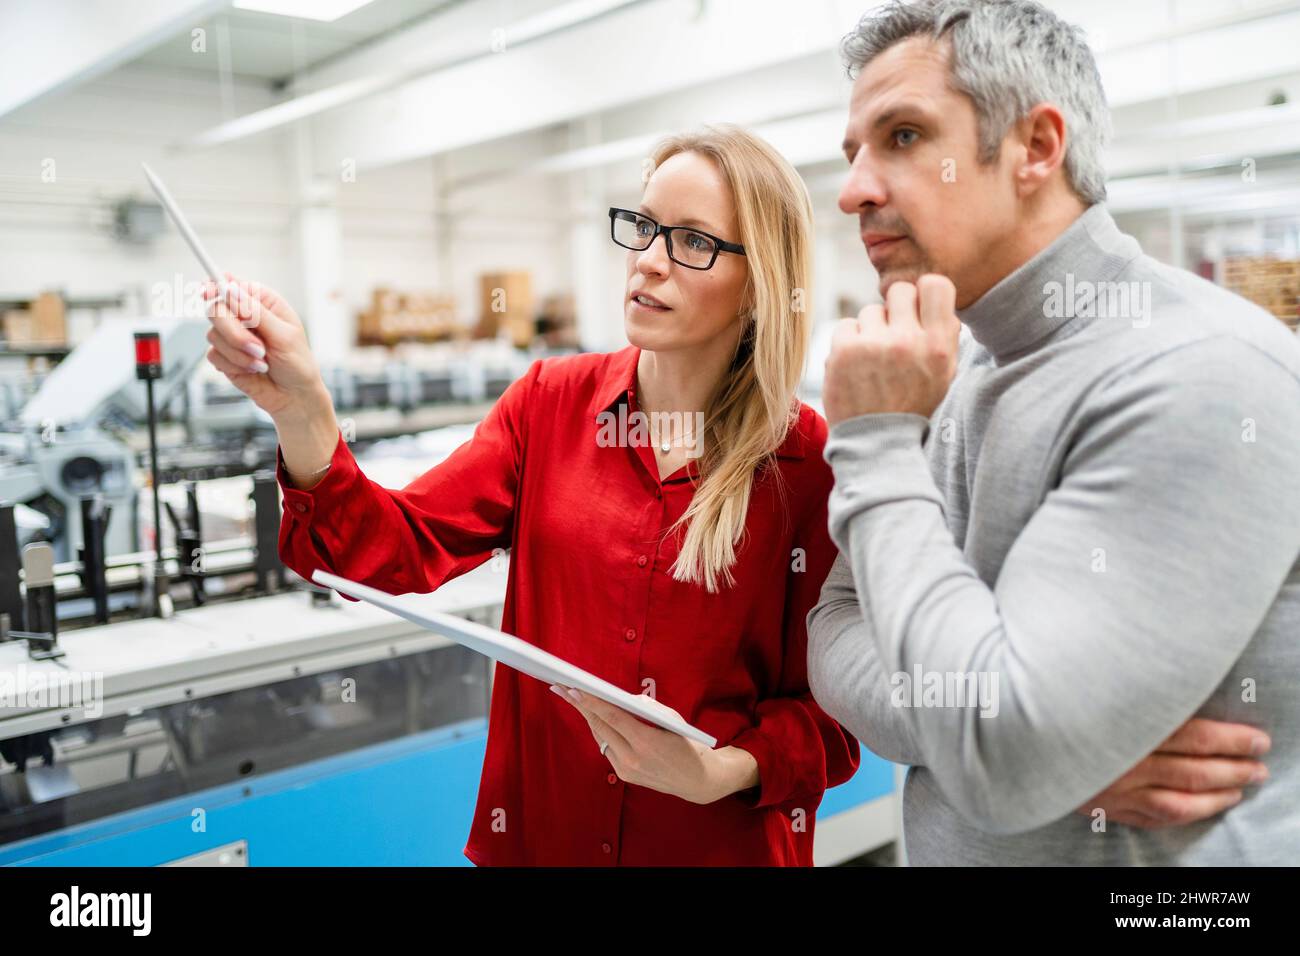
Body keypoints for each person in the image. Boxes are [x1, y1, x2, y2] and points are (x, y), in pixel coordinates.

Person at [201, 125, 859, 866]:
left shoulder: (806, 464)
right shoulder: (549, 405)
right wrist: (303, 412)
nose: (647, 260)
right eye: (644, 227)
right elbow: (386, 552)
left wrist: (717, 772)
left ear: (761, 279)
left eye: (692, 241)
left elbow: (836, 710)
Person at [807, 0, 1300, 864]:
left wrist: (880, 440)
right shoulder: (958, 370)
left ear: (1036, 147)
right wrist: (1018, 744)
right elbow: (835, 627)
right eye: (855, 154)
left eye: (905, 137)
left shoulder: (1195, 370)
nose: (853, 190)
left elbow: (1006, 756)